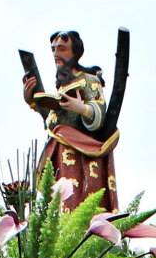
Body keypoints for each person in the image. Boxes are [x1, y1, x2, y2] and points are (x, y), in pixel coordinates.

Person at [24, 28, 117, 210]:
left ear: (75, 52)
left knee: (79, 200)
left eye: (62, 49)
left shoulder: (88, 80)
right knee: (56, 204)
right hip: (58, 148)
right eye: (53, 49)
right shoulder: (62, 85)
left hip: (83, 150)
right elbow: (53, 120)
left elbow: (99, 110)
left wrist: (81, 108)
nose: (56, 54)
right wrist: (33, 102)